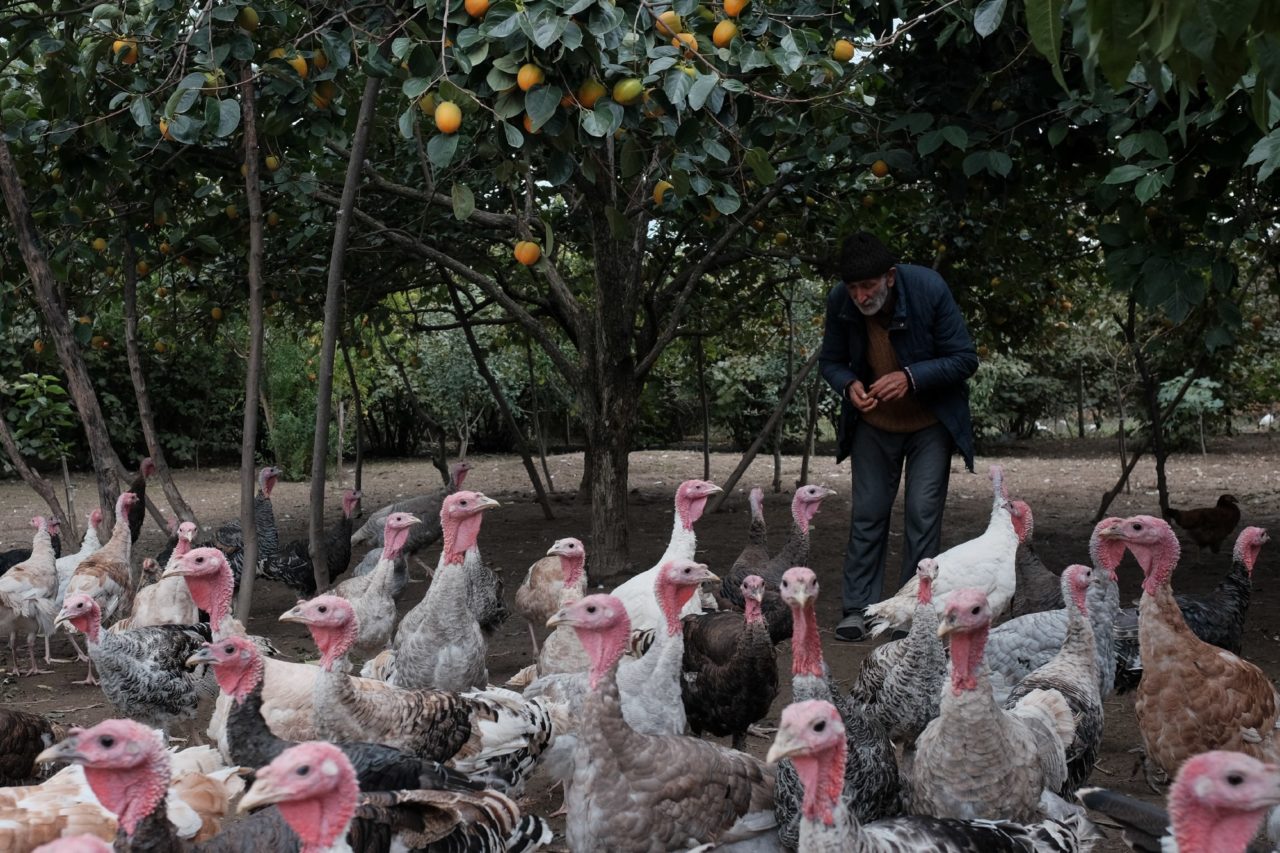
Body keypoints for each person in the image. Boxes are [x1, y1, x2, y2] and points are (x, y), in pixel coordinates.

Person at [818, 232, 978, 642]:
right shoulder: (840, 301)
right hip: (874, 425)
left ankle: (910, 613)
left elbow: (964, 358)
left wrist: (910, 377)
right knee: (868, 513)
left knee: (923, 514)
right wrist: (847, 383)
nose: (860, 296)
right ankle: (859, 609)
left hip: (930, 424)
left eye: (868, 285)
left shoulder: (929, 288)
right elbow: (831, 360)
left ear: (889, 276)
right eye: (852, 287)